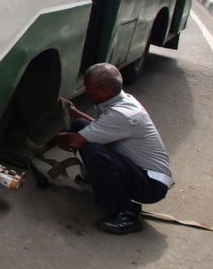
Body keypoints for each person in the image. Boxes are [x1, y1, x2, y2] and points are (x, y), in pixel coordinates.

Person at [56, 63, 173, 235]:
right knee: (80, 125)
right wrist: (75, 113)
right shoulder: (122, 100)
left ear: (104, 90)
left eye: (89, 89)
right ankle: (104, 183)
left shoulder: (124, 114)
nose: (87, 92)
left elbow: (75, 141)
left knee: (93, 151)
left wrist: (42, 140)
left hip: (151, 185)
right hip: (139, 171)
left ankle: (127, 213)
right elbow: (99, 127)